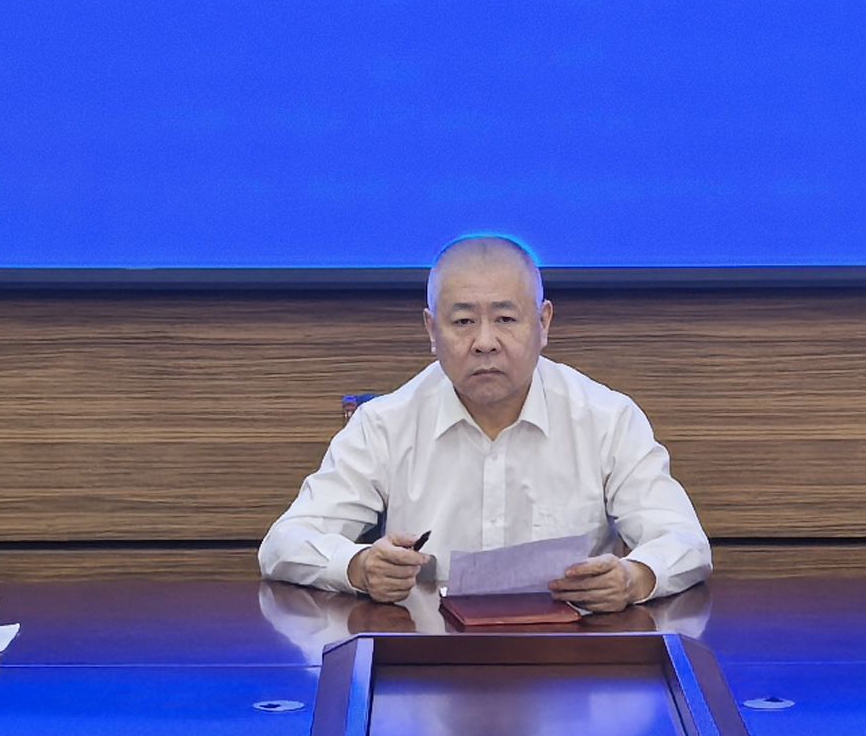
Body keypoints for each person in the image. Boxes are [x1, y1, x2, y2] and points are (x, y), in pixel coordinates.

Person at [259, 233, 708, 612]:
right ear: (431, 331)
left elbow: (684, 540)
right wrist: (358, 567)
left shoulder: (607, 418)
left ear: (543, 323)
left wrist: (634, 577)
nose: (485, 342)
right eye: (463, 321)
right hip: (427, 657)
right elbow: (285, 543)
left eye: (506, 318)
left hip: (570, 657)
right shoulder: (386, 423)